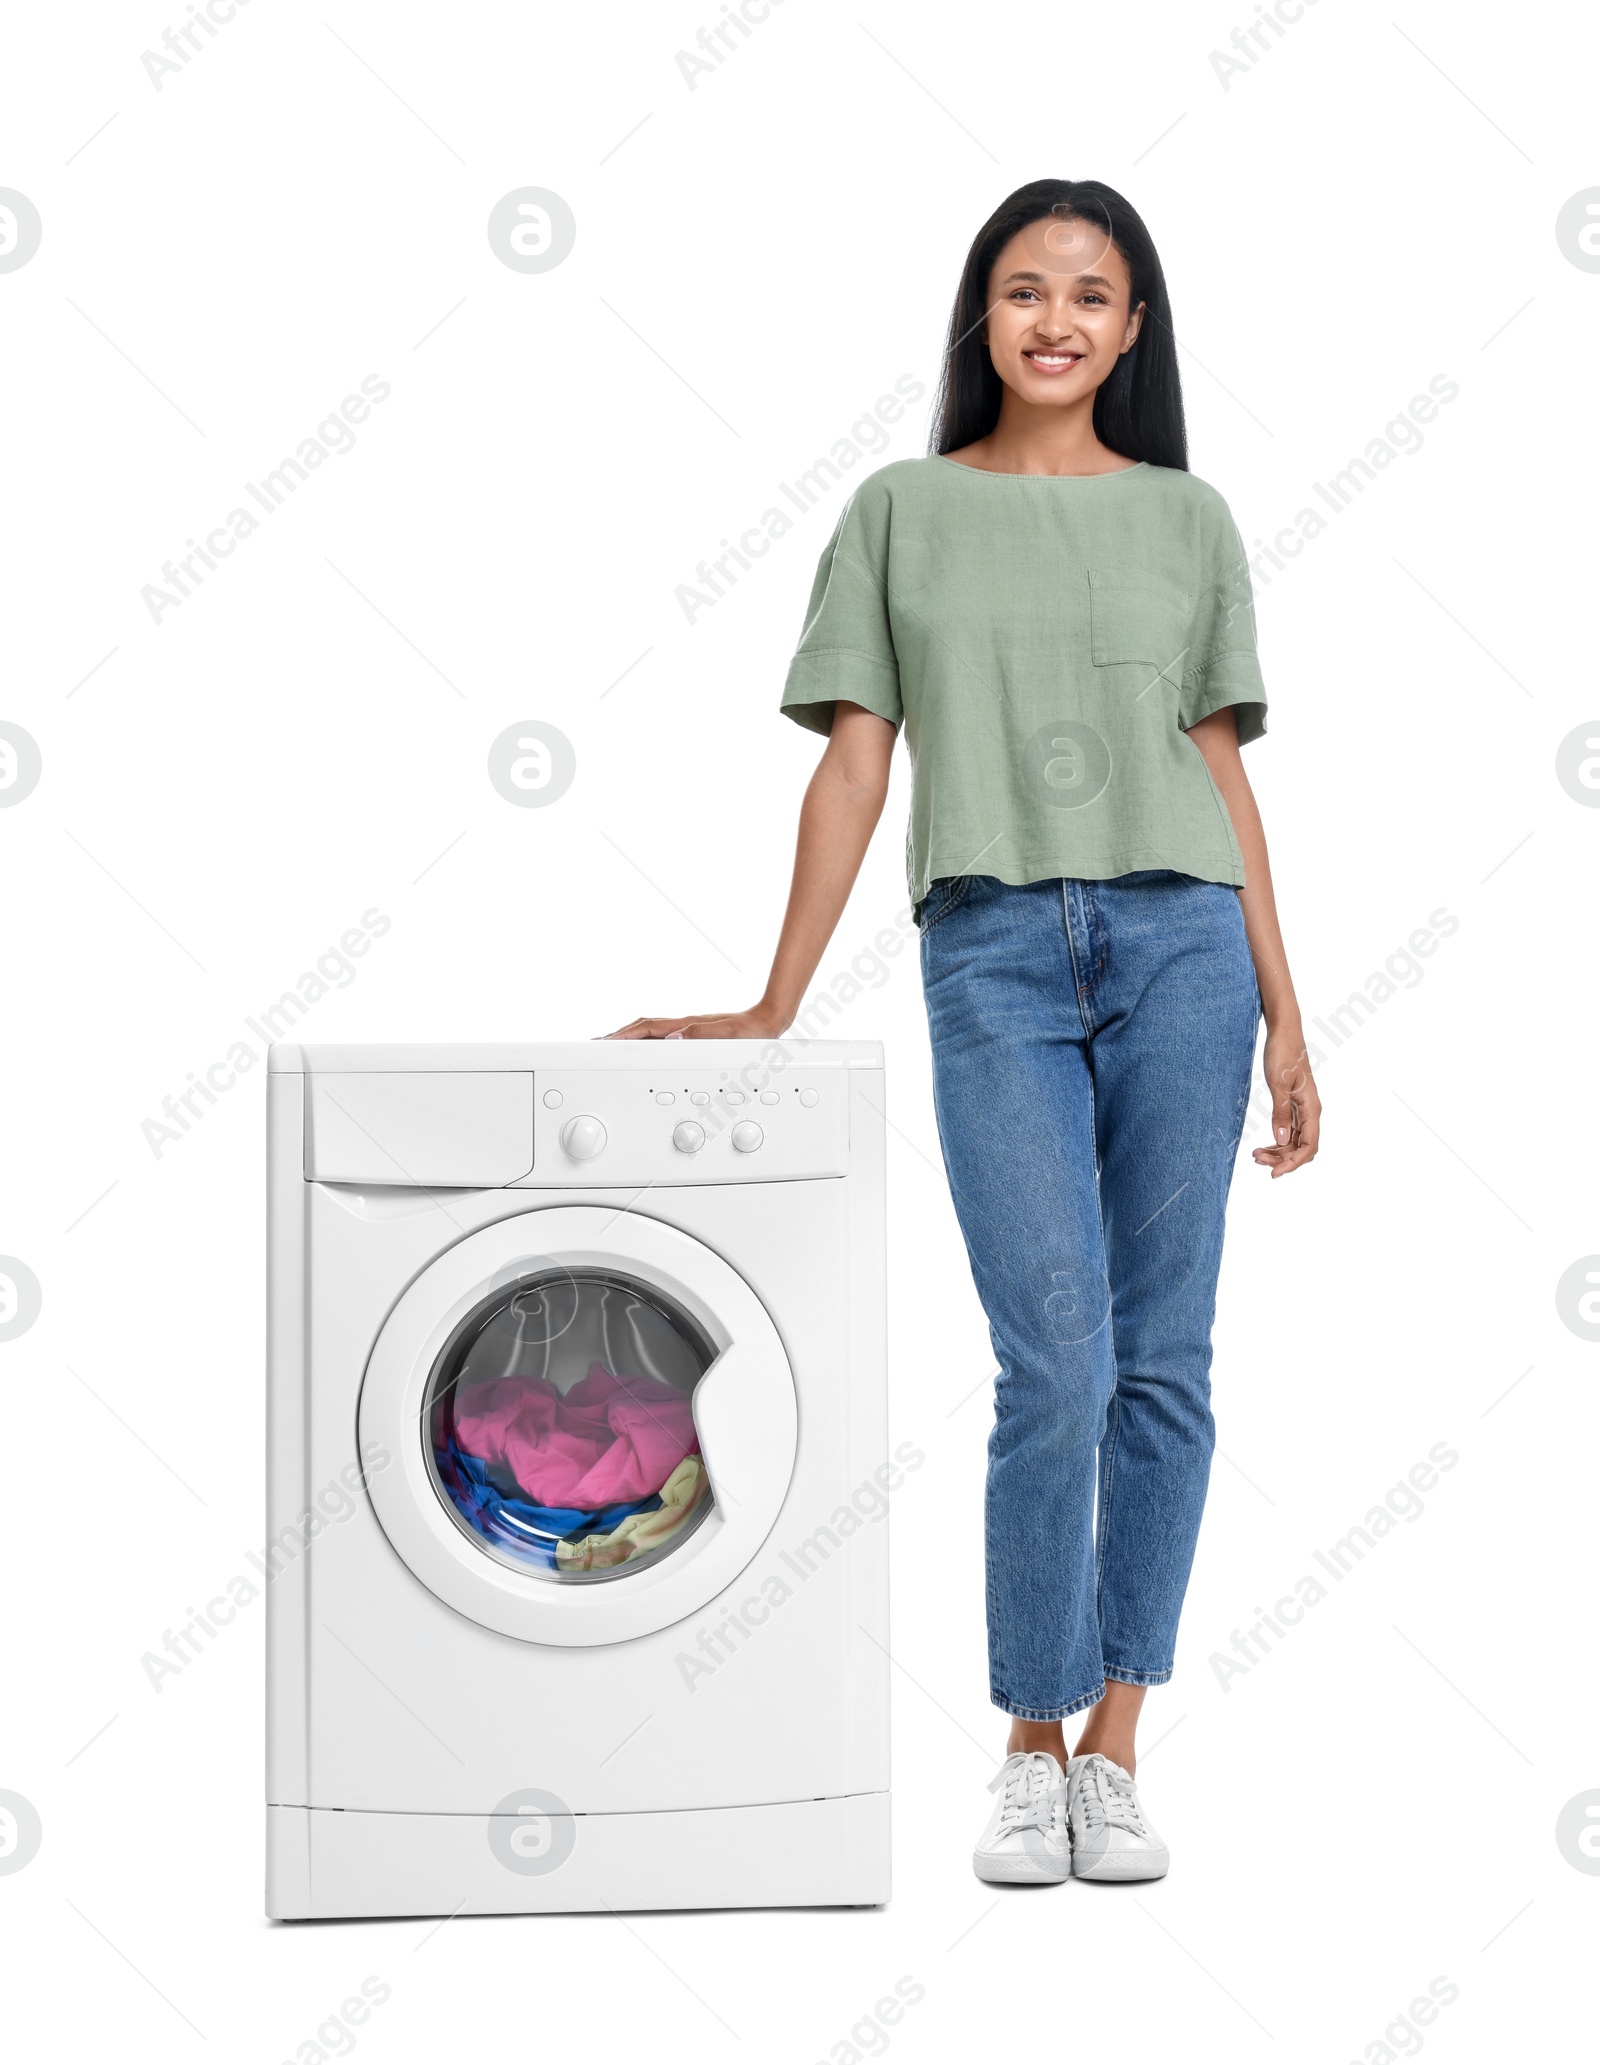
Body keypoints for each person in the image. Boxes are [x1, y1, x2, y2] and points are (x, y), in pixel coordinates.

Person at [608, 177, 1320, 1887]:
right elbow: (856, 759)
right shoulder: (901, 509)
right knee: (1052, 1361)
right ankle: (1027, 1735)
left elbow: (1220, 771)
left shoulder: (1190, 518)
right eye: (1023, 289)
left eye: (1091, 293)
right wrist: (772, 995)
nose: (1056, 319)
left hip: (1184, 946)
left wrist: (1292, 1004)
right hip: (991, 949)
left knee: (1165, 1361)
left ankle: (1120, 1744)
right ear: (979, 319)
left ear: (1133, 329)